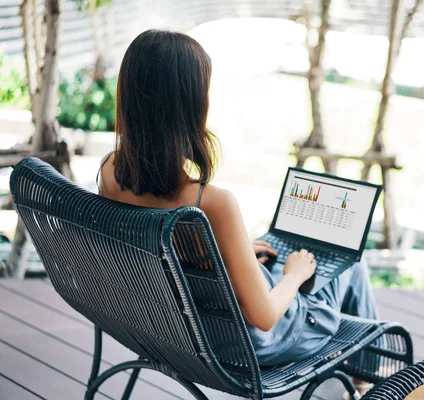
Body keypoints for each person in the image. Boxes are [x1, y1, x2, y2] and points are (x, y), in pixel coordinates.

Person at [97, 29, 379, 395]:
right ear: (190, 105)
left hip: (178, 329)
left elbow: (175, 255)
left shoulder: (109, 172)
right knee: (348, 264)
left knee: (271, 254)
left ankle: (362, 383)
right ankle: (371, 386)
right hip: (247, 343)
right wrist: (294, 276)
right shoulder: (209, 202)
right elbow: (263, 318)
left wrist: (237, 254)